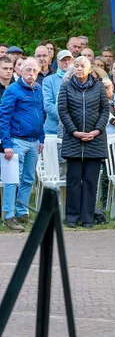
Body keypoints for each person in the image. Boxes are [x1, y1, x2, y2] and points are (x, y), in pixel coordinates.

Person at [58, 56, 109, 228]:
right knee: (73, 181)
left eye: (82, 66)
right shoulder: (66, 86)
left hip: (95, 141)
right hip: (73, 140)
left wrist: (97, 130)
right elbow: (63, 111)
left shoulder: (99, 86)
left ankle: (87, 217)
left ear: (89, 69)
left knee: (90, 181)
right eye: (76, 65)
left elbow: (105, 110)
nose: (79, 68)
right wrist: (75, 132)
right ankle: (72, 217)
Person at [0, 58, 45, 232]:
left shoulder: (38, 89)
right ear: (20, 71)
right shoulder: (12, 90)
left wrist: (41, 138)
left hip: (34, 141)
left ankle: (22, 212)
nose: (31, 73)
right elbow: (3, 118)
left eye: (34, 70)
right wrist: (7, 144)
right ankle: (8, 215)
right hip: (16, 140)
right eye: (28, 70)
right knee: (12, 179)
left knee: (28, 179)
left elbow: (41, 114)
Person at [42, 50, 74, 135]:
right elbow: (48, 105)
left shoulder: (77, 80)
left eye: (69, 60)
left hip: (74, 130)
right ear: (58, 62)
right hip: (53, 129)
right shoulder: (48, 80)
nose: (67, 62)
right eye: (63, 60)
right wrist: (67, 119)